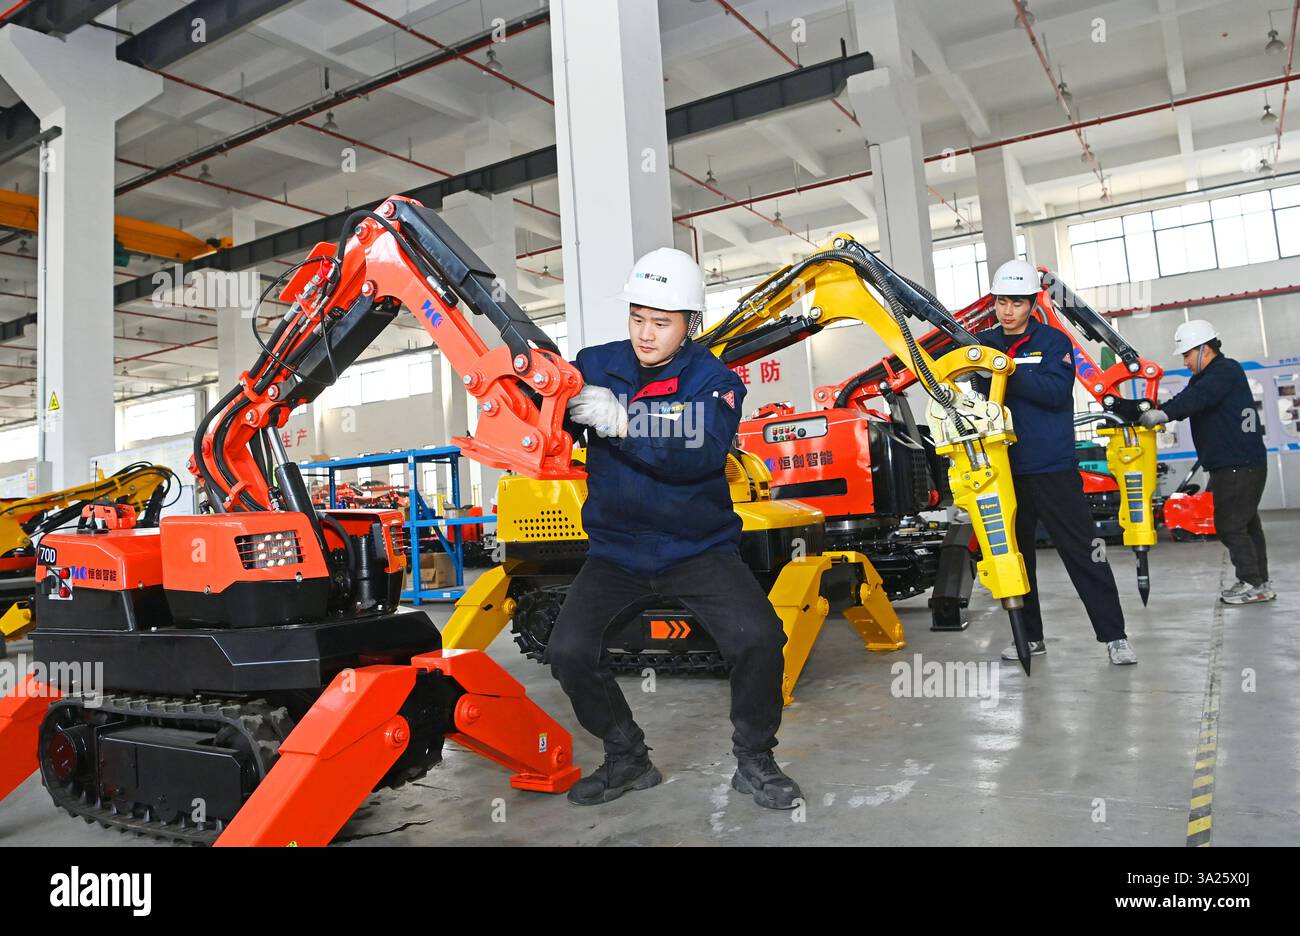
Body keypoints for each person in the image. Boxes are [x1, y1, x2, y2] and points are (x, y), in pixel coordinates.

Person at [551, 247, 800, 810]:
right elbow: (546, 417)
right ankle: (627, 757)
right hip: (615, 551)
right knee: (569, 651)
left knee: (759, 639)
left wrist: (620, 420)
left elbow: (698, 451)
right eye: (637, 317)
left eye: (661, 323)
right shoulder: (595, 362)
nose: (645, 333)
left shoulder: (716, 381)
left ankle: (756, 760)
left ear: (689, 325)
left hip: (698, 550)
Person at [975, 259, 1138, 666]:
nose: (1007, 310)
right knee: (1015, 558)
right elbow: (979, 395)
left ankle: (1114, 637)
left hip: (1052, 467)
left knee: (1084, 552)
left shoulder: (1052, 342)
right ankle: (1029, 638)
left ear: (1032, 304)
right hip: (1004, 471)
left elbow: (1053, 392)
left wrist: (1005, 370)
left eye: (1016, 302)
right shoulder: (983, 342)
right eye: (1001, 302)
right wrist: (994, 367)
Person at [1137, 321, 1273, 604]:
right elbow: (1189, 399)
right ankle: (1259, 581)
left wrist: (1163, 415)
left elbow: (1197, 399)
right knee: (1247, 525)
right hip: (1236, 462)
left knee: (1230, 525)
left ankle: (1253, 582)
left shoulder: (1225, 370)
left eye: (1186, 354)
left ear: (1204, 349)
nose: (1185, 361)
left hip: (1238, 463)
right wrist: (1162, 411)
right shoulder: (1203, 378)